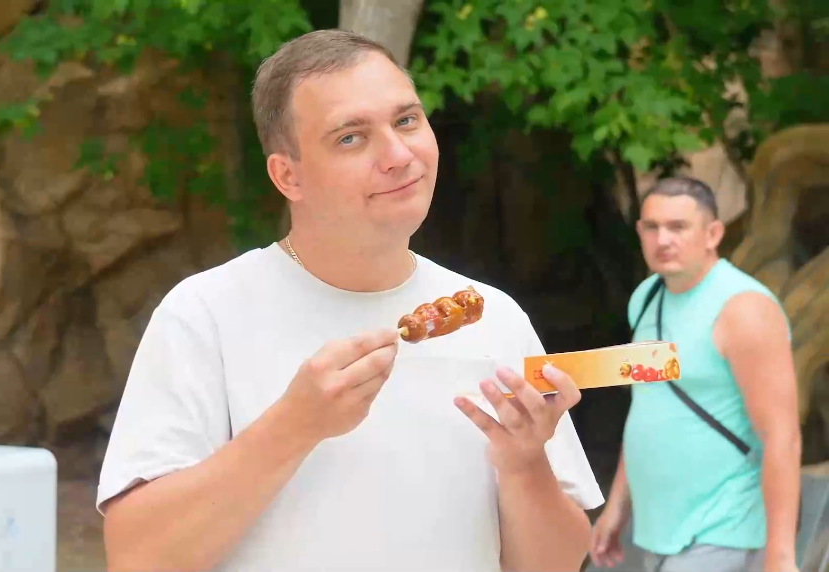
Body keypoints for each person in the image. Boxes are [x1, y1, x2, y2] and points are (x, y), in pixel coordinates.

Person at [97, 29, 604, 572]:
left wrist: (526, 466)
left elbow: (554, 564)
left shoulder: (494, 317)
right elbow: (137, 558)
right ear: (287, 176)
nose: (398, 155)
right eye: (350, 138)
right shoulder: (205, 315)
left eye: (406, 121)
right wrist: (294, 425)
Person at [589, 176, 801, 572]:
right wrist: (616, 507)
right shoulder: (646, 298)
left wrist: (781, 554)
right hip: (657, 530)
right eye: (652, 227)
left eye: (678, 227)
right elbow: (649, 408)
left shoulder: (744, 309)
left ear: (713, 234)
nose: (663, 240)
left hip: (725, 527)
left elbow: (782, 437)